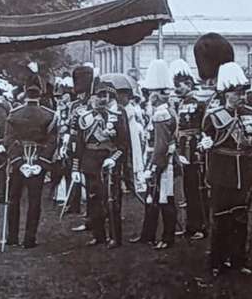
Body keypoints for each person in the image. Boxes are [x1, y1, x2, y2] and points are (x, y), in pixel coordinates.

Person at [202, 61, 252, 275]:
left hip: (245, 173)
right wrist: (204, 146)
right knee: (220, 218)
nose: (240, 96)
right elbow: (205, 143)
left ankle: (239, 260)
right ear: (225, 93)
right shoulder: (213, 117)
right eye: (236, 93)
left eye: (242, 92)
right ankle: (217, 262)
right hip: (222, 173)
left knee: (240, 218)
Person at [3, 81, 58, 249]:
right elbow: (52, 141)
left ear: (25, 94)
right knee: (34, 201)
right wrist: (42, 162)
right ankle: (29, 239)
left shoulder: (14, 113)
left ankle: (12, 237)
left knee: (13, 199)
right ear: (40, 94)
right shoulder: (50, 114)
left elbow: (8, 140)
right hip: (37, 161)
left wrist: (18, 162)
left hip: (19, 160)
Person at [78, 78, 131, 248]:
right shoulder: (86, 115)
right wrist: (77, 165)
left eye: (108, 95)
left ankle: (115, 236)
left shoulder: (118, 114)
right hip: (90, 159)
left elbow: (123, 143)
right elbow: (80, 141)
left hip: (109, 158)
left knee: (111, 198)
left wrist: (114, 159)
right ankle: (98, 235)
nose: (104, 99)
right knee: (93, 199)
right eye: (101, 95)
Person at [136, 60, 178, 249]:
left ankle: (167, 237)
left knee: (164, 199)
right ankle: (148, 234)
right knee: (151, 198)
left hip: (160, 161)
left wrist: (154, 167)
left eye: (152, 92)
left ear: (159, 94)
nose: (149, 96)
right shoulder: (161, 111)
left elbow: (161, 145)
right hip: (154, 158)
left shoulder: (161, 114)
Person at [173, 66, 208, 240]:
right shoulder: (181, 102)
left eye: (178, 86)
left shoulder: (199, 102)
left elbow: (204, 127)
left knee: (197, 189)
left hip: (194, 150)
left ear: (188, 84)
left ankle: (201, 225)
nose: (176, 89)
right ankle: (191, 225)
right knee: (187, 189)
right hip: (183, 150)